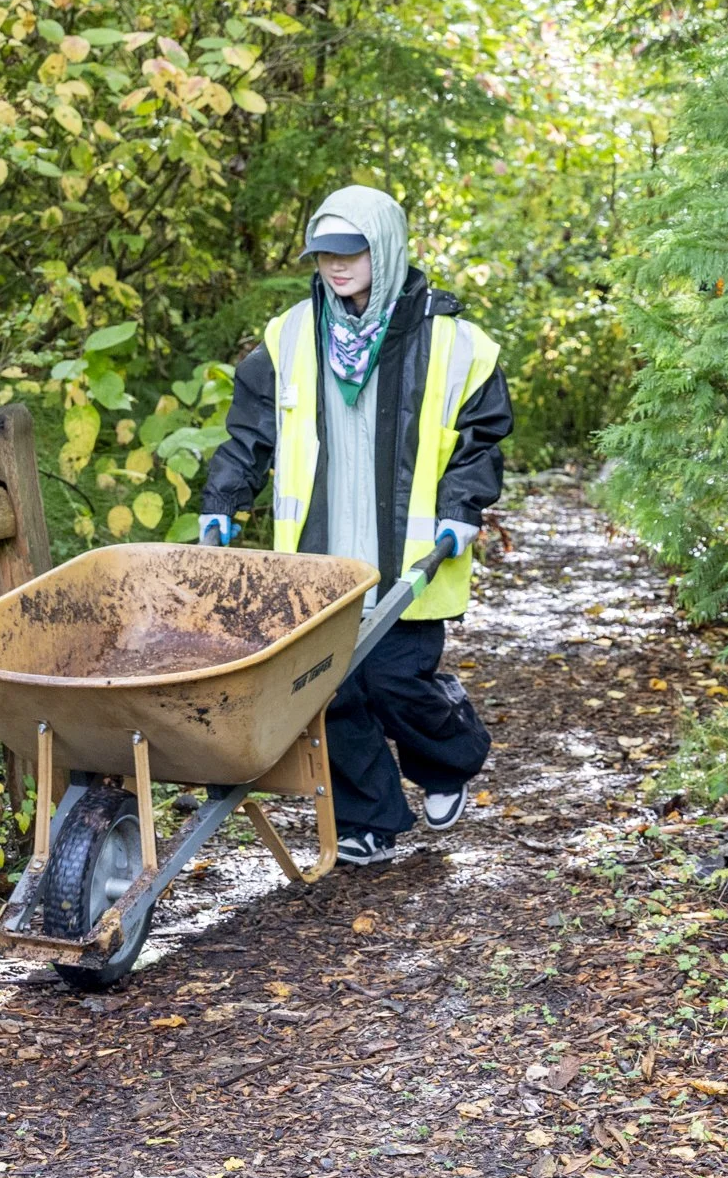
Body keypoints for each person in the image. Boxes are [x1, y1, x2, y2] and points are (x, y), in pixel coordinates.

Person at [199, 184, 513, 864]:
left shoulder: (450, 340)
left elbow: (479, 439)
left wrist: (463, 507)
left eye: (352, 250)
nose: (336, 266)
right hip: (319, 555)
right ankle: (369, 817)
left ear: (386, 247)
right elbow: (248, 436)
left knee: (398, 680)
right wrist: (222, 498)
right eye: (324, 253)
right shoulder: (288, 337)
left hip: (408, 551)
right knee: (328, 688)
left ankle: (448, 759)